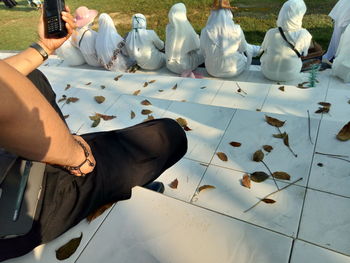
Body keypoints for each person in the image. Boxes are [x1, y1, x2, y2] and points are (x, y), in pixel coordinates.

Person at [0, 7, 187, 261]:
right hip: (17, 207)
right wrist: (76, 158)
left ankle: (88, 173)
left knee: (30, 77)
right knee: (168, 135)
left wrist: (44, 47)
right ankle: (92, 181)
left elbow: (8, 78)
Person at [259, 0, 312, 82]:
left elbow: (263, 49)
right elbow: (304, 54)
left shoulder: (271, 32)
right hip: (290, 74)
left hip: (267, 72)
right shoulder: (304, 34)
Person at [200, 0, 252, 78]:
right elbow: (243, 49)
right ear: (228, 12)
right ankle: (256, 50)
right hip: (234, 70)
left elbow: (203, 51)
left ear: (212, 13)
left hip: (211, 70)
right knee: (246, 54)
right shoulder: (236, 29)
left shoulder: (205, 31)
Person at [165, 3, 204, 75]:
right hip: (183, 67)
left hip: (170, 66)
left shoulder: (169, 28)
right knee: (202, 51)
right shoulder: (187, 28)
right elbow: (197, 45)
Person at [322, 0, 350, 65]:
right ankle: (335, 56)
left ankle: (335, 55)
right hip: (344, 13)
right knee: (340, 34)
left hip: (344, 11)